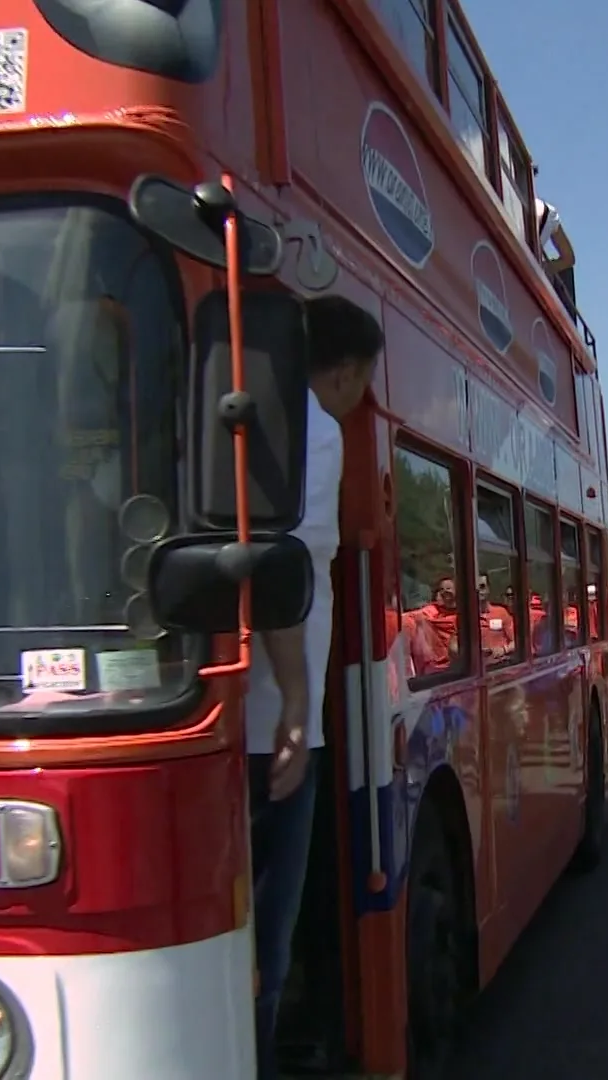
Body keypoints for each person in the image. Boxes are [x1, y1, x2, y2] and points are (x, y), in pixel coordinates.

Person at [244, 295, 382, 1078]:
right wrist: (299, 703)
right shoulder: (314, 427)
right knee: (266, 943)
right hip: (273, 730)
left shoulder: (250, 414)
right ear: (351, 370)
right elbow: (284, 564)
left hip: (243, 718)